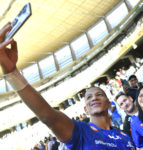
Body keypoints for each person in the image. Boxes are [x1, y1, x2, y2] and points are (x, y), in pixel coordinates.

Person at [0, 23, 135, 149]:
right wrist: (12, 73)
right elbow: (48, 116)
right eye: (88, 97)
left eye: (99, 94)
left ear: (110, 105)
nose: (94, 98)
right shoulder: (80, 131)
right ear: (85, 110)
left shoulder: (125, 137)